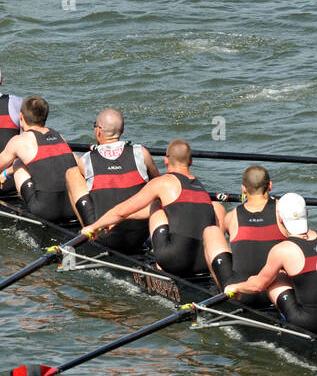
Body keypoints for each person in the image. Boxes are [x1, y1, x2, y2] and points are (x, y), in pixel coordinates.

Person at [224, 193, 317, 347]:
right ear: (307, 214)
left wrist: (235, 286)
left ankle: (285, 324)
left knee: (275, 279)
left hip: (309, 324)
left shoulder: (282, 249)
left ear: (280, 219)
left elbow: (257, 286)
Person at [85, 139, 224, 276]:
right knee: (217, 207)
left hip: (173, 260)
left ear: (166, 160)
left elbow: (121, 211)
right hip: (204, 264)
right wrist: (116, 220)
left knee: (156, 205)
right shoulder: (201, 188)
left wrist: (94, 226)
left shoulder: (163, 183)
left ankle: (160, 267)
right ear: (191, 161)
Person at [0, 95, 85, 223]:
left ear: (21, 117)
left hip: (45, 211)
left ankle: (29, 211)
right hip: (73, 209)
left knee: (18, 162)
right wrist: (6, 174)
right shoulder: (60, 137)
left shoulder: (20, 141)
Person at [68, 109, 158, 254]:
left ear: (98, 131)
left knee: (71, 173)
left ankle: (88, 230)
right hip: (140, 236)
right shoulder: (142, 153)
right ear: (122, 130)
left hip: (106, 237)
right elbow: (158, 183)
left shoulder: (86, 159)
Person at [201, 165, 283, 309]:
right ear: (270, 186)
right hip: (275, 291)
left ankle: (222, 290)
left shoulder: (232, 216)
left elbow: (220, 243)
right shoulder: (283, 211)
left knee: (211, 231)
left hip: (241, 293)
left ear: (243, 189)